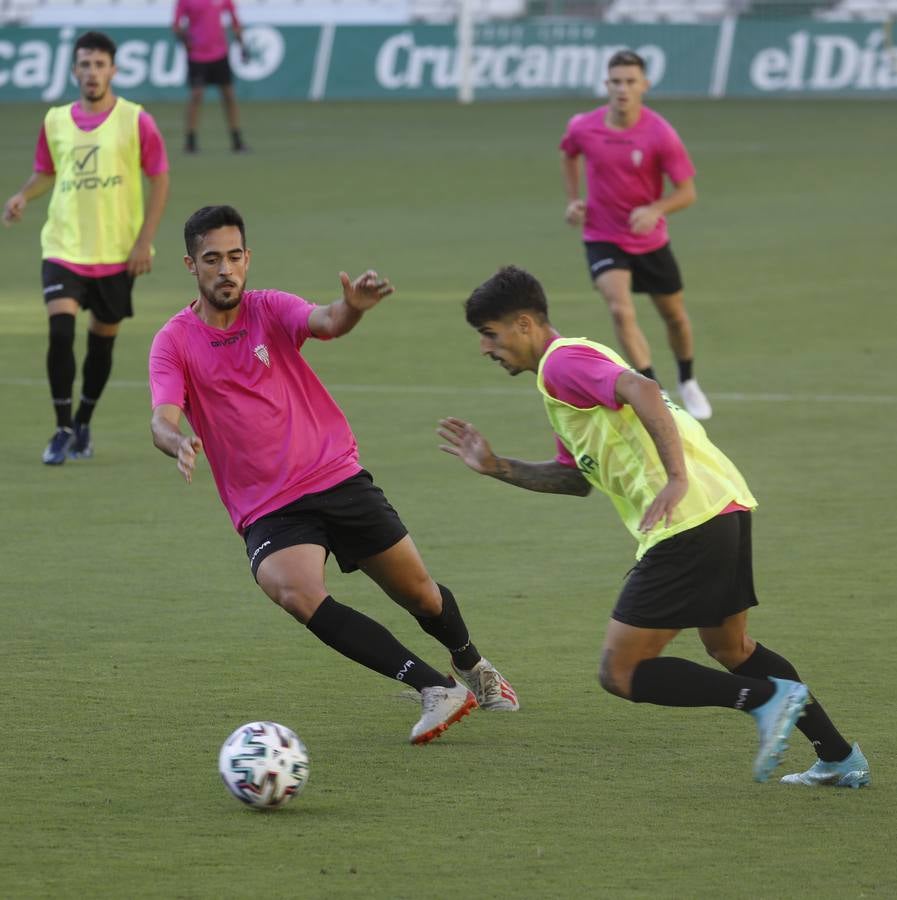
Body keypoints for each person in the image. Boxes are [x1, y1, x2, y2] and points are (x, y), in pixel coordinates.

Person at [438, 264, 869, 786]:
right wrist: (497, 465)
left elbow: (641, 389)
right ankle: (838, 756)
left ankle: (766, 699)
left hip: (686, 520)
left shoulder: (561, 364)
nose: (486, 347)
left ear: (525, 323)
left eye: (490, 333)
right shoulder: (569, 373)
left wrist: (675, 478)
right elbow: (575, 479)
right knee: (732, 649)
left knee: (621, 672)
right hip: (722, 507)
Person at [149, 205, 519, 745]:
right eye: (212, 260)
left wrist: (352, 307)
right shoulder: (175, 340)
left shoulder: (269, 309)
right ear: (191, 265)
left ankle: (472, 664)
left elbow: (324, 321)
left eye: (234, 257)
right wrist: (177, 440)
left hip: (333, 475)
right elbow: (162, 417)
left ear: (247, 258)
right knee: (292, 589)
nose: (225, 269)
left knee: (422, 596)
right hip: (269, 506)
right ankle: (433, 687)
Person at [2, 30, 170, 465]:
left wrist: (144, 242)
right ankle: (60, 428)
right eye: (85, 64)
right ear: (74, 70)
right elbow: (46, 172)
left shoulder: (136, 120)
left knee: (101, 346)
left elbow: (160, 178)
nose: (92, 72)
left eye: (99, 64)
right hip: (64, 247)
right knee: (60, 333)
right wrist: (23, 195)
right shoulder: (55, 120)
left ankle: (83, 422)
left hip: (116, 254)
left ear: (113, 69)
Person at [560, 49, 712, 421]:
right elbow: (569, 153)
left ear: (644, 85)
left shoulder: (660, 133)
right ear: (606, 85)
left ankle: (688, 379)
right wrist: (574, 200)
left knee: (674, 317)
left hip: (649, 240)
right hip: (602, 236)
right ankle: (654, 390)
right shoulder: (584, 126)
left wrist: (655, 209)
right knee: (619, 308)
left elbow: (687, 192)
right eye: (616, 82)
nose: (622, 89)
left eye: (630, 82)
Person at [173, 0, 248, 154]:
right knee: (196, 96)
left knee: (229, 96)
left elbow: (234, 20)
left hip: (220, 53)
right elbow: (176, 25)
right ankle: (191, 140)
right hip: (197, 55)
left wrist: (242, 44)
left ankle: (236, 139)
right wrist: (185, 40)